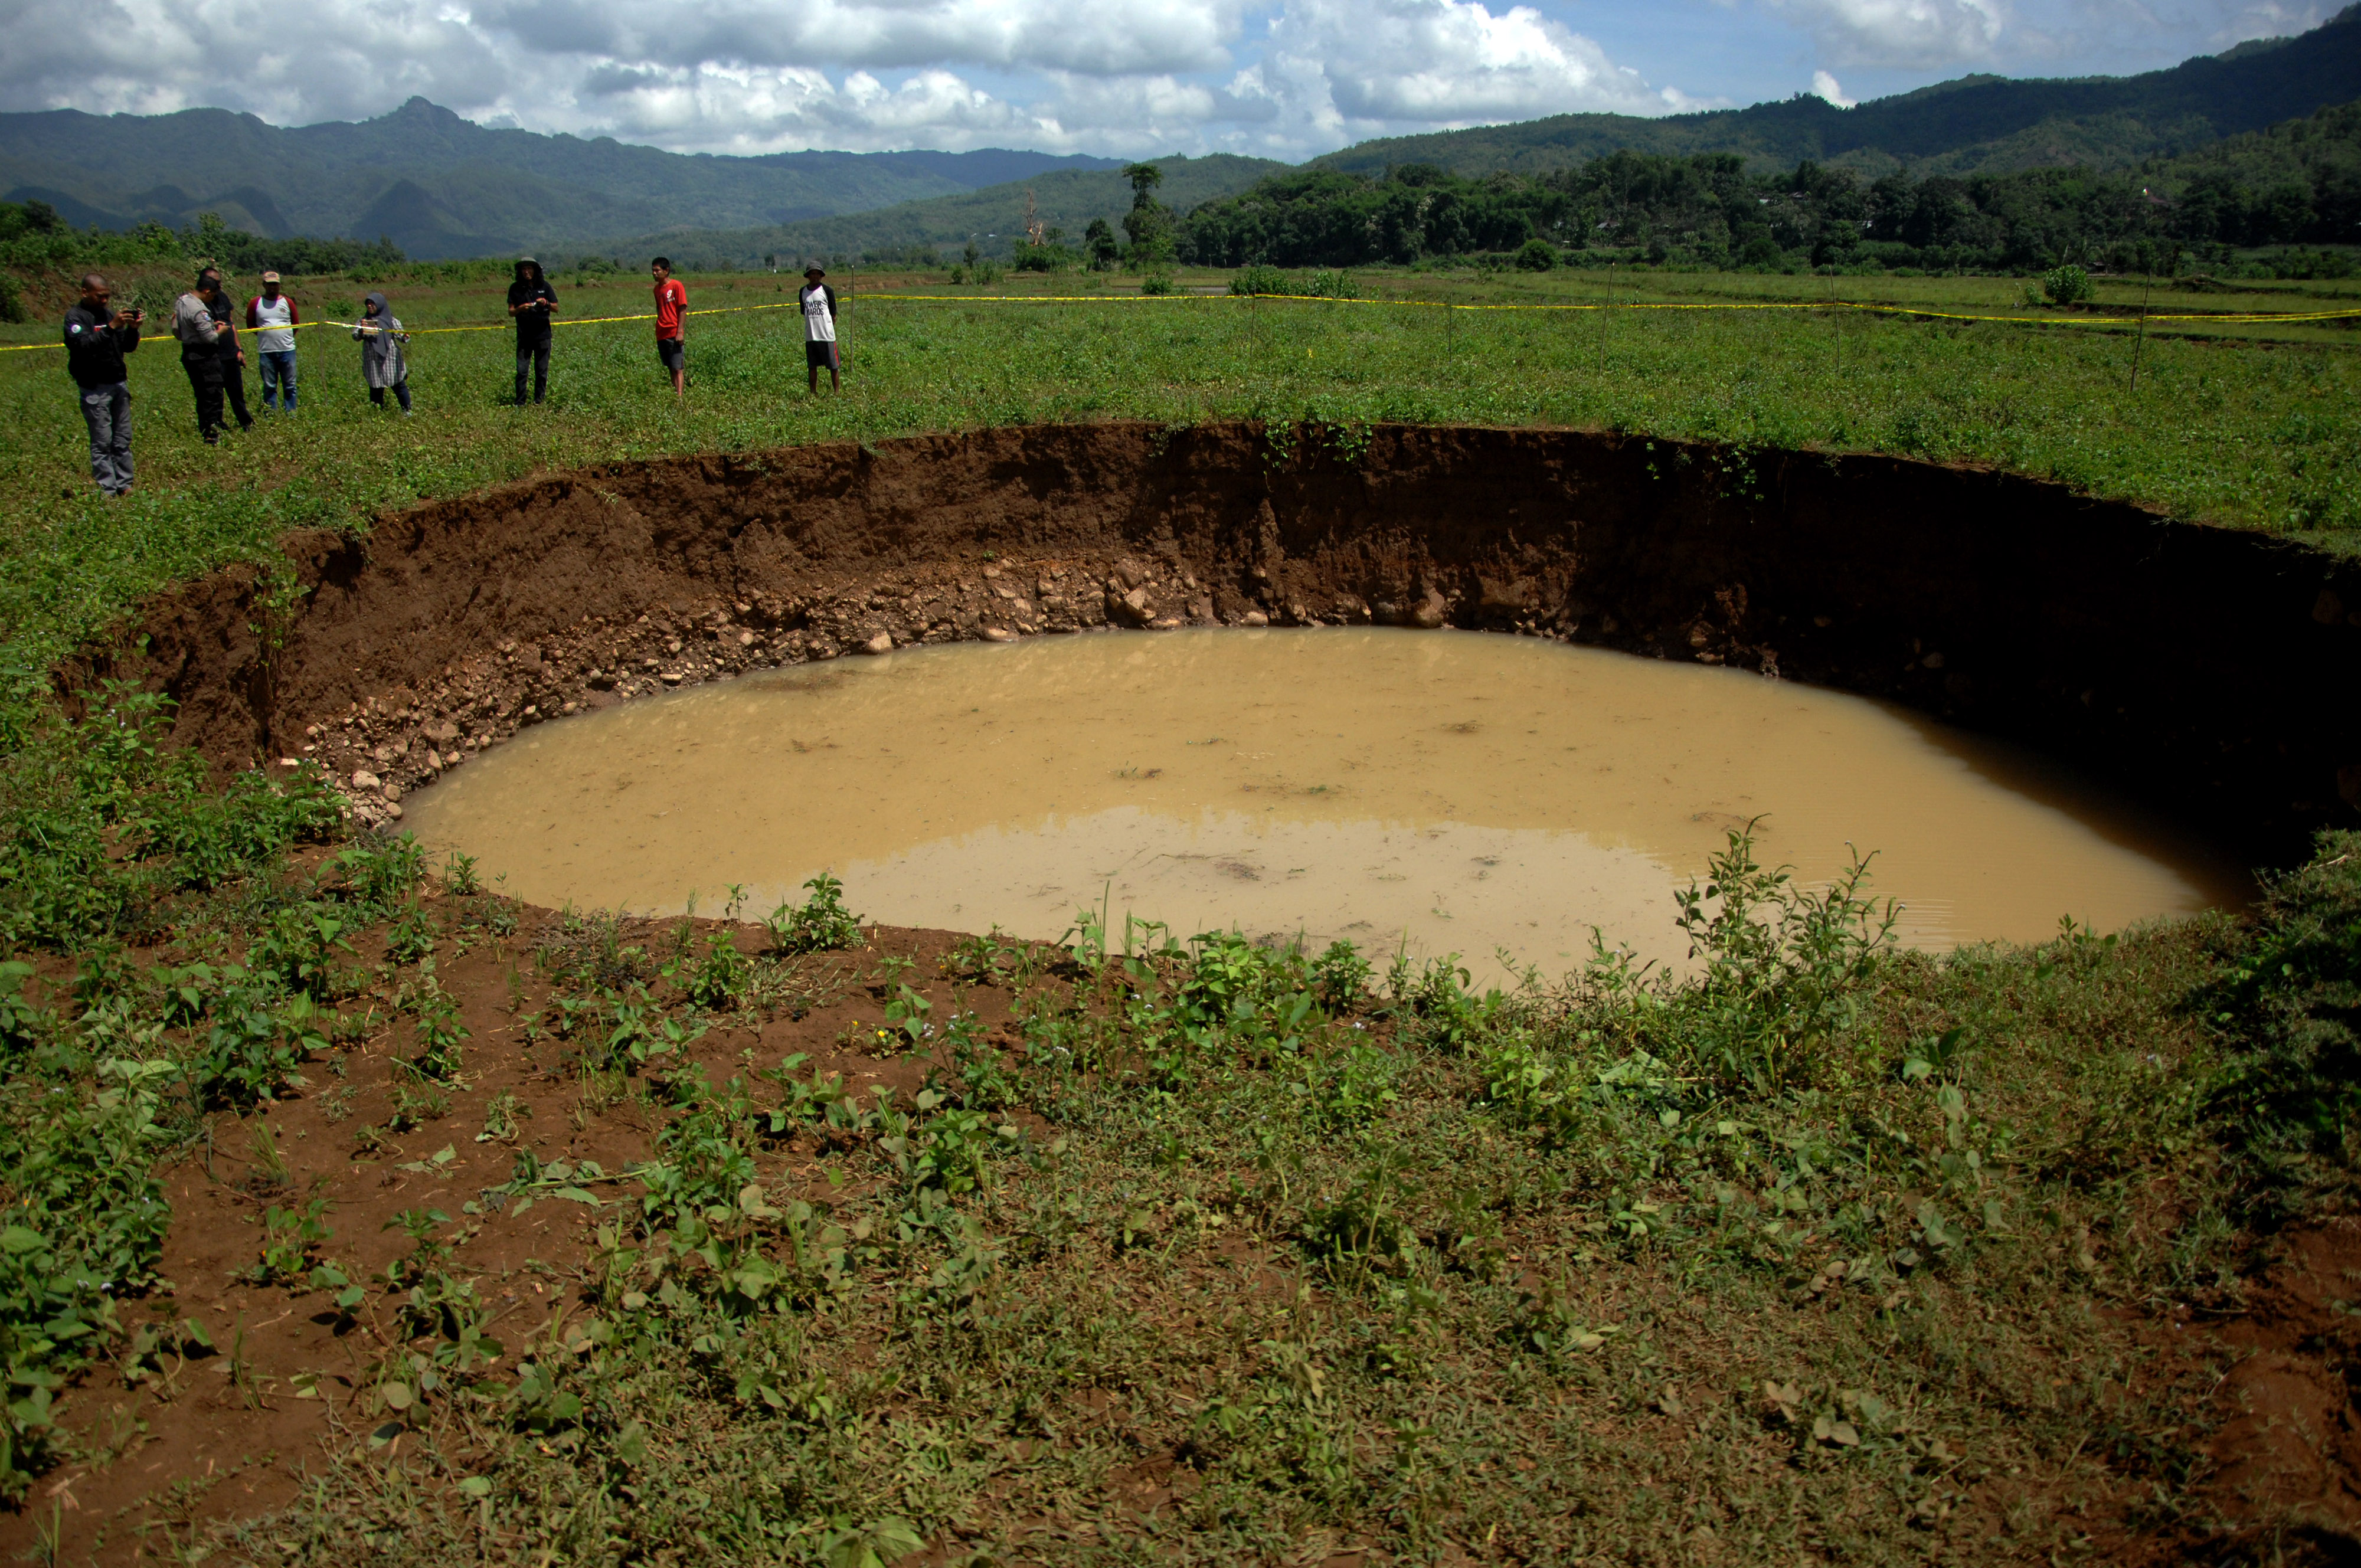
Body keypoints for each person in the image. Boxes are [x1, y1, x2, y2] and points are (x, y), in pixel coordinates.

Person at [63, 273, 142, 496]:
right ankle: (107, 489)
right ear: (85, 293)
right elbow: (82, 345)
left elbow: (126, 348)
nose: (105, 301)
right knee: (102, 442)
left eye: (107, 296)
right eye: (100, 296)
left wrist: (133, 329)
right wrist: (110, 327)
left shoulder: (108, 315)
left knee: (122, 439)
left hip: (118, 383)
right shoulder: (76, 318)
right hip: (94, 387)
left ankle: (125, 484)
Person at [172, 267, 233, 443]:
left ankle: (204, 428)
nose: (212, 299)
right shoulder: (200, 310)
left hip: (189, 353)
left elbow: (177, 329)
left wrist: (211, 325)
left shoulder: (182, 301)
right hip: (204, 356)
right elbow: (210, 338)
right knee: (212, 394)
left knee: (201, 394)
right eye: (212, 295)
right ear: (207, 292)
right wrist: (221, 330)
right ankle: (212, 433)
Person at [199, 268, 254, 433]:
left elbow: (231, 323)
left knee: (237, 392)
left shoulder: (222, 297)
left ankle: (246, 422)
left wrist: (239, 349)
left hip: (231, 353)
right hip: (214, 355)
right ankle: (217, 424)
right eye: (216, 282)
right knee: (216, 395)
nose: (220, 285)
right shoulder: (201, 303)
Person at [508, 257, 559, 405]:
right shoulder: (515, 288)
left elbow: (556, 308)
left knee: (541, 370)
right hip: (524, 336)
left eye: (529, 269)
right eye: (524, 269)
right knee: (522, 371)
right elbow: (511, 312)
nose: (527, 272)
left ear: (535, 271)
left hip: (543, 335)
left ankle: (539, 401)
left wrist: (546, 303)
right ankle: (520, 402)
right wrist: (520, 309)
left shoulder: (545, 286)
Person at [246, 271, 299, 413]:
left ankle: (291, 413)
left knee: (290, 385)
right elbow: (251, 325)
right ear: (264, 285)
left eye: (275, 284)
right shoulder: (255, 303)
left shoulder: (288, 302)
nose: (272, 288)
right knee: (269, 386)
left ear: (279, 285)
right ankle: (271, 414)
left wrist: (283, 337)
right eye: (269, 285)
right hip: (266, 351)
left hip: (287, 350)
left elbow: (295, 325)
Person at [352, 292, 411, 413]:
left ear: (380, 305)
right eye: (368, 304)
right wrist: (362, 331)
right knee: (375, 388)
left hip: (390, 359)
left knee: (399, 386)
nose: (369, 306)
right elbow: (355, 336)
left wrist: (405, 337)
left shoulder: (391, 320)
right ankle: (378, 414)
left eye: (372, 304)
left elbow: (401, 336)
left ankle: (407, 411)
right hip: (373, 360)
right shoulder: (364, 321)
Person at [799, 264, 839, 393]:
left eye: (817, 274)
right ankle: (813, 393)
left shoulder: (827, 291)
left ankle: (837, 393)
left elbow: (833, 313)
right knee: (812, 366)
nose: (814, 276)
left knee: (833, 367)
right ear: (808, 276)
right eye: (812, 274)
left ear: (821, 276)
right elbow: (804, 312)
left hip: (826, 335)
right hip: (811, 336)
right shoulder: (803, 292)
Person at [650, 256, 686, 397]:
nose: (654, 273)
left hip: (673, 332)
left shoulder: (677, 286)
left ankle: (680, 398)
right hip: (661, 333)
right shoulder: (657, 290)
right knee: (670, 367)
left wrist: (680, 332)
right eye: (653, 271)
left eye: (657, 270)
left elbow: (682, 310)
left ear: (666, 271)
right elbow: (659, 310)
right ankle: (674, 393)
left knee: (678, 368)